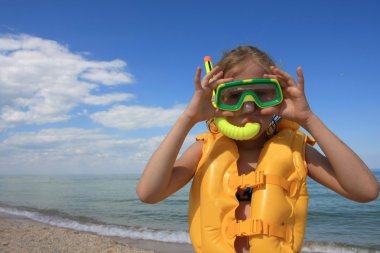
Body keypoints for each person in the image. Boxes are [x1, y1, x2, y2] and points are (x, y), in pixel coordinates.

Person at [136, 46, 379, 253]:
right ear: (215, 101)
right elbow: (149, 193)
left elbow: (365, 191)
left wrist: (307, 118)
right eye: (233, 96)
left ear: (279, 97)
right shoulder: (205, 149)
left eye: (263, 93)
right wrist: (188, 117)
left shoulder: (296, 150)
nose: (249, 106)